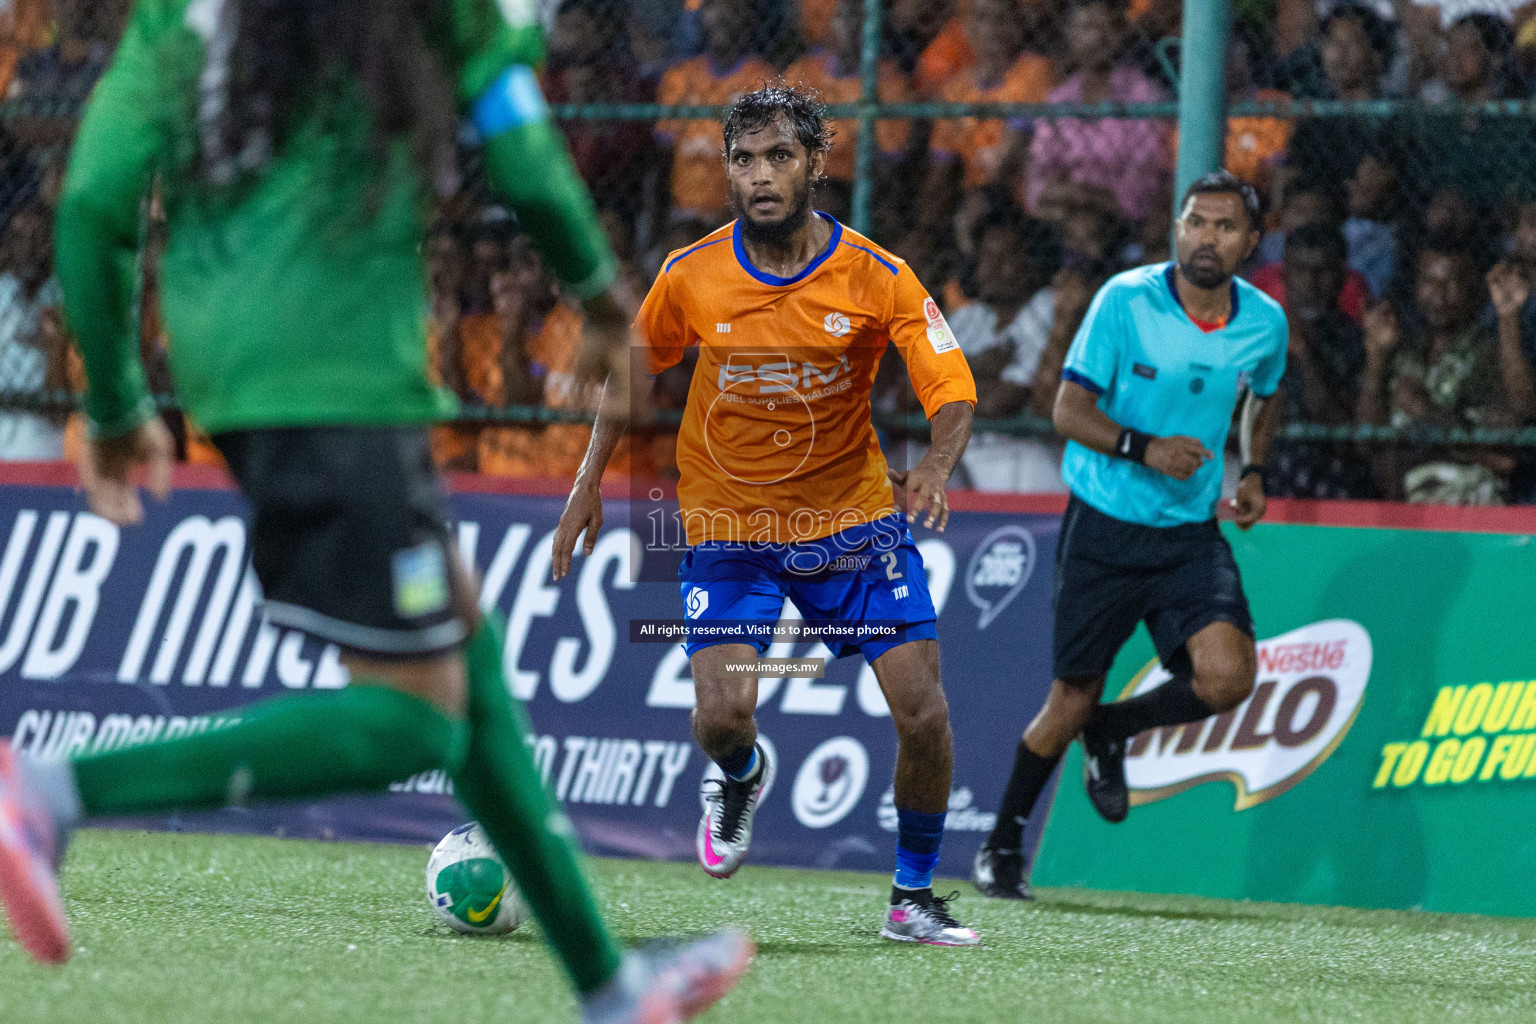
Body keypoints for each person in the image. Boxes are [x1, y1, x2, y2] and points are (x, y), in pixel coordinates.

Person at [0, 3, 754, 1021]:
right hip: (346, 375)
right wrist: (605, 298)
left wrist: (118, 401)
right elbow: (524, 155)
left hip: (232, 371)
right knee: (412, 717)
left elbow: (91, 200)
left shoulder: (179, 16)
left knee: (467, 656)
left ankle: (610, 983)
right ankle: (52, 791)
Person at [554, 85, 983, 946]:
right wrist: (587, 483)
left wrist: (935, 466)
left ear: (817, 163)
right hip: (727, 527)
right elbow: (630, 381)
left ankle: (913, 897)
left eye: (779, 156)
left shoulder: (878, 276)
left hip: (852, 522)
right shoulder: (691, 274)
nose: (758, 176)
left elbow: (951, 384)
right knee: (721, 716)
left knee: (923, 710)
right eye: (742, 160)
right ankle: (741, 774)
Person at [972, 171, 1287, 899]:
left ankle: (1113, 732)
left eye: (1224, 227)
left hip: (1187, 532)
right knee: (1069, 700)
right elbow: (1067, 410)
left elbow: (1266, 397)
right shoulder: (1125, 300)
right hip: (1105, 526)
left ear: (1250, 242)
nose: (1207, 237)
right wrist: (1145, 449)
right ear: (1177, 229)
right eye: (1195, 223)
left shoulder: (1264, 322)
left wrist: (1257, 470)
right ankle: (1001, 846)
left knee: (1229, 676)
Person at [1356, 242, 1522, 504]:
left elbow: (1502, 458)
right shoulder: (1404, 352)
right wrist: (1376, 360)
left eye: (1452, 283)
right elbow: (1366, 443)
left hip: (1465, 503)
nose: (1439, 295)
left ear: (1475, 290)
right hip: (1399, 507)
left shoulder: (1487, 354)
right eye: (1429, 282)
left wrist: (1426, 410)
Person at [948, 205, 1067, 492]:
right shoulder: (966, 318)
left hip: (1022, 451)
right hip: (959, 450)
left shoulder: (1047, 307)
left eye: (1005, 257)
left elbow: (1002, 402)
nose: (990, 269)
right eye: (985, 258)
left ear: (1033, 262)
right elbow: (914, 394)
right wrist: (979, 365)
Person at [653, 0, 775, 222]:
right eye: (713, 6)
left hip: (740, 211)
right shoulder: (680, 77)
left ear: (749, 20)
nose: (722, 15)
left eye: (732, 7)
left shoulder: (762, 78)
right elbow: (663, 147)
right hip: (683, 208)